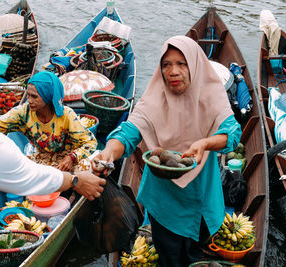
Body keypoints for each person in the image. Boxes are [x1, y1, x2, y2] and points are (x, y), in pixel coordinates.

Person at [0, 8, 105, 267]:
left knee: (85, 164)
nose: (31, 100)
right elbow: (0, 131)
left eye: (36, 96)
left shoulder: (67, 117)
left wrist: (71, 159)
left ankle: (66, 204)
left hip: (63, 159)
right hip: (44, 164)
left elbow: (88, 143)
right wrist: (73, 181)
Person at [93, 35, 242, 266]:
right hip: (164, 200)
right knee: (169, 256)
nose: (173, 71)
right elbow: (128, 132)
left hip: (202, 195)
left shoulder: (211, 94)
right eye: (166, 64)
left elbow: (232, 133)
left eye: (181, 64)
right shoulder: (153, 98)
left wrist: (205, 143)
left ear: (194, 65)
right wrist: (108, 153)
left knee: (194, 251)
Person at [0, 71, 97, 171]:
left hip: (68, 159)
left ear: (47, 96)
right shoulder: (23, 113)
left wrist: (72, 157)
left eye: (34, 97)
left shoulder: (67, 115)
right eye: (28, 96)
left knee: (87, 167)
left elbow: (90, 143)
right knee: (12, 169)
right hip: (43, 158)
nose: (29, 101)